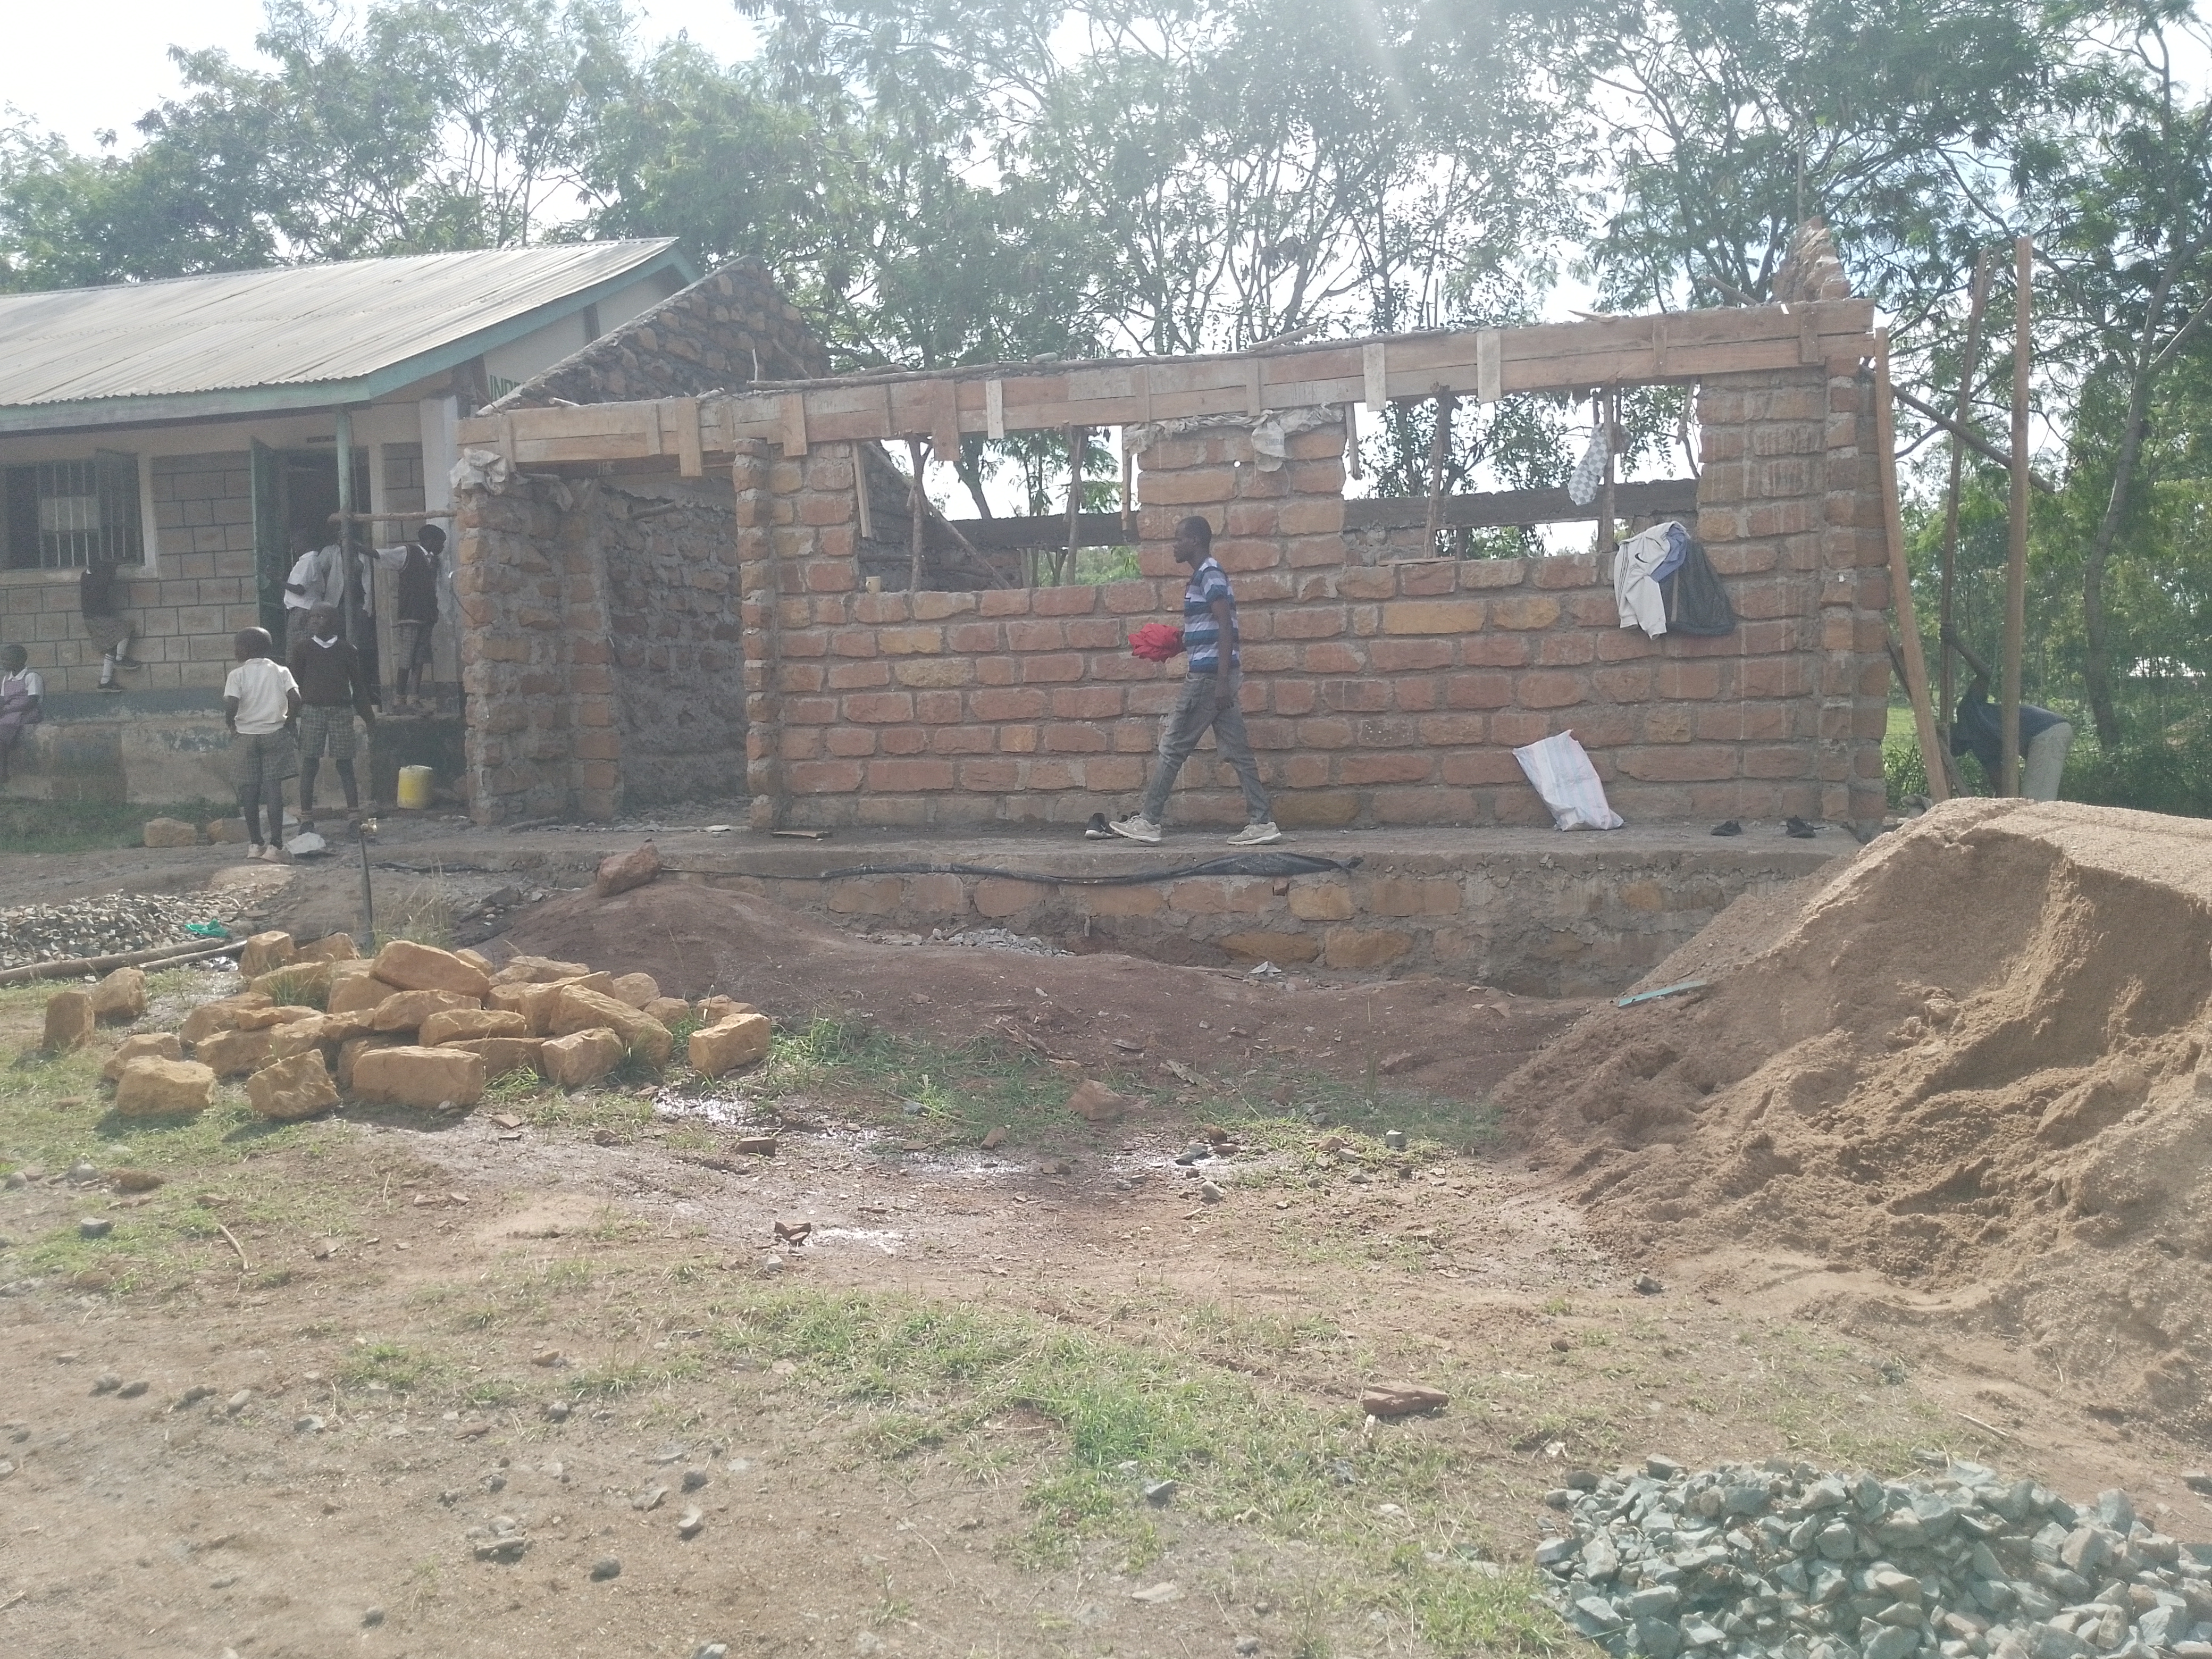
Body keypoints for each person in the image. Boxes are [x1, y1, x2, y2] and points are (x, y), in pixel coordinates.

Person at [1109, 515, 1281, 847]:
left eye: (1179, 539)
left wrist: (1220, 682)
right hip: (1217, 675)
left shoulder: (1209, 574)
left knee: (1173, 747)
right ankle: (1263, 822)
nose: (1174, 545)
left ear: (1196, 541)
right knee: (1239, 752)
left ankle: (1149, 821)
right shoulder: (1204, 575)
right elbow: (1213, 627)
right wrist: (1179, 642)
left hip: (1208, 678)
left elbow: (1226, 625)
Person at [1945, 630, 2074, 801]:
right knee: (2032, 801)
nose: (1953, 751)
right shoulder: (1980, 748)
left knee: (2035, 803)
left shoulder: (1968, 711)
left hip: (2047, 730)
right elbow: (2001, 785)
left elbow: (1984, 673)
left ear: (1950, 729)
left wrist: (1957, 644)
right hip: (2043, 736)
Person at [287, 606, 375, 826]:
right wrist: (290, 718)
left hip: (341, 711)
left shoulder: (347, 650)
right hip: (312, 711)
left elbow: (358, 686)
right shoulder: (302, 649)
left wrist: (369, 718)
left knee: (345, 764)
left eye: (321, 617)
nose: (314, 621)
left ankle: (353, 817)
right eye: (311, 617)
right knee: (309, 764)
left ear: (335, 622)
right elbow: (293, 686)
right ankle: (307, 819)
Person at [223, 627, 301, 862]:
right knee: (273, 788)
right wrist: (290, 720)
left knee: (249, 790)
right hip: (275, 733)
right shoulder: (281, 671)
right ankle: (276, 846)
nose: (235, 650)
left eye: (237, 646)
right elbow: (296, 698)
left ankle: (255, 844)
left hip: (246, 736)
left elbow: (231, 703)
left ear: (246, 650)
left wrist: (231, 723)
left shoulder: (237, 675)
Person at [374, 523, 445, 709]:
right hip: (410, 614)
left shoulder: (434, 561)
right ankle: (399, 698)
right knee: (406, 657)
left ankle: (414, 697)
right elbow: (383, 555)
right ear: (431, 541)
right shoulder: (408, 552)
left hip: (427, 616)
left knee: (420, 658)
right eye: (441, 543)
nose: (443, 547)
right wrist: (356, 547)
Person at [281, 531, 343, 655]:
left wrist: (278, 581)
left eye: (296, 543)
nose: (294, 547)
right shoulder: (304, 561)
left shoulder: (310, 561)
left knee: (300, 649)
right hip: (301, 610)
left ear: (306, 543)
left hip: (303, 610)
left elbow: (300, 590)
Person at [80, 559, 138, 691]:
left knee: (112, 646)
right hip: (97, 618)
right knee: (126, 629)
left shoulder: (87, 577)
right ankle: (120, 659)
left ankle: (105, 681)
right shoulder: (96, 582)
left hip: (96, 617)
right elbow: (104, 583)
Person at [0, 644, 41, 787]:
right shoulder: (7, 679)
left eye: (7, 659)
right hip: (9, 712)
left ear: (19, 660)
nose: (3, 662)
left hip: (27, 712)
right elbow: (2, 700)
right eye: (3, 659)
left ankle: (3, 771)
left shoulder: (31, 677)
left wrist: (8, 711)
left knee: (4, 728)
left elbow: (32, 702)